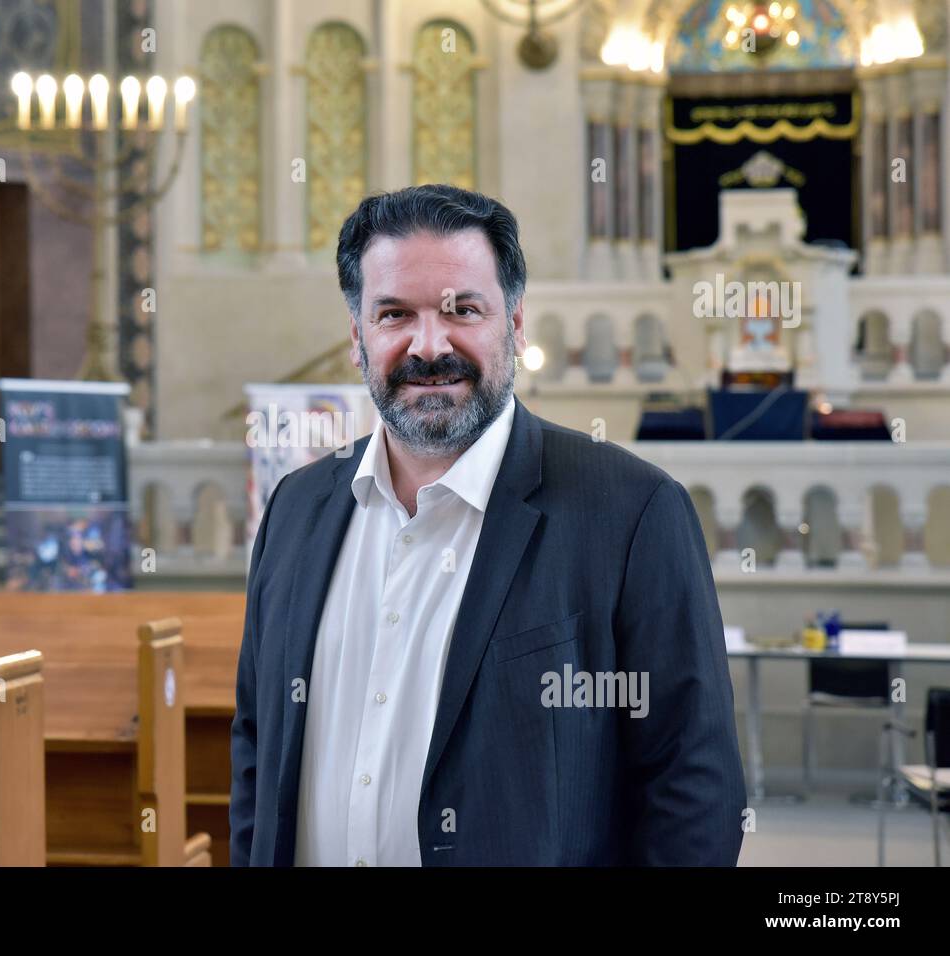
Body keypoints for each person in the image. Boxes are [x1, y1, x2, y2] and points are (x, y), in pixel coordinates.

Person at [230, 183, 746, 866]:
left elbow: (694, 790)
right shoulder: (295, 511)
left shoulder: (630, 513)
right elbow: (256, 750)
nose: (429, 345)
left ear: (516, 324)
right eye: (393, 315)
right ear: (358, 337)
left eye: (462, 310)